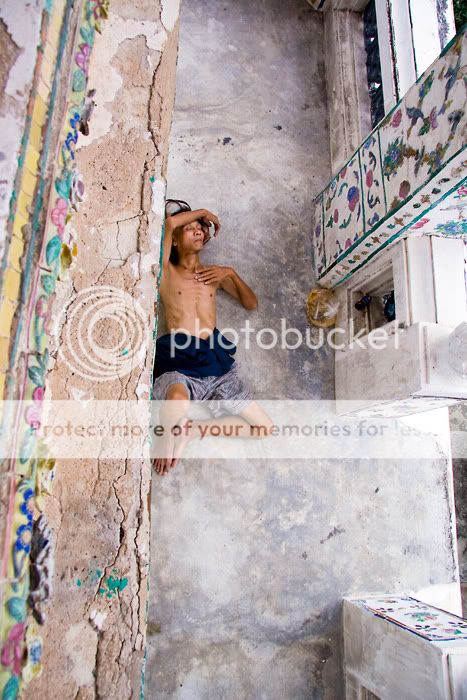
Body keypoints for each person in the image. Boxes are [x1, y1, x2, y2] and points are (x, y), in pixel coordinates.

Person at [152, 200, 274, 475]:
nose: (197, 230)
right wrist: (203, 213)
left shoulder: (214, 275)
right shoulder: (167, 273)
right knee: (177, 402)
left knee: (263, 427)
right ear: (173, 242)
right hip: (179, 359)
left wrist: (230, 273)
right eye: (189, 227)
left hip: (215, 362)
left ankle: (190, 430)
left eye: (200, 227)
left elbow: (251, 303)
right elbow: (169, 224)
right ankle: (165, 434)